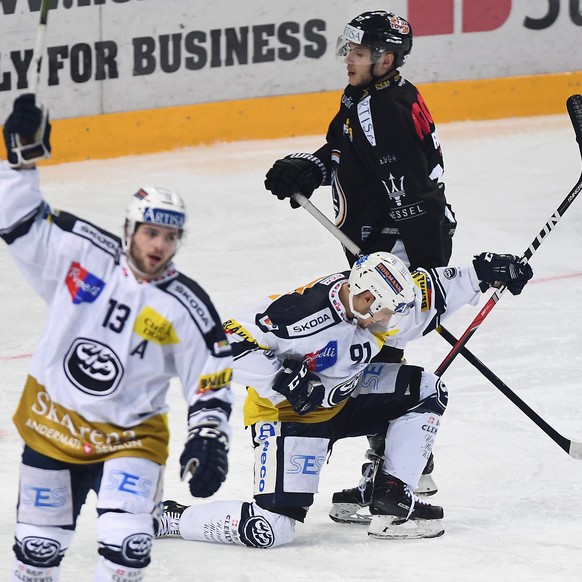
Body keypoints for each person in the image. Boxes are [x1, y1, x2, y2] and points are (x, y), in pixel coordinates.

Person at [1, 94, 234, 581]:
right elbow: (17, 221)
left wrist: (209, 437)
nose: (159, 246)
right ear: (129, 228)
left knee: (125, 553)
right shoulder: (81, 254)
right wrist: (18, 162)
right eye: (150, 233)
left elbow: (210, 376)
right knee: (36, 554)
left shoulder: (185, 305)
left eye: (170, 238)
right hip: (53, 427)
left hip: (131, 437)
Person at [154, 250, 532, 546]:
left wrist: (482, 274)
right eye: (388, 309)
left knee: (426, 389)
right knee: (273, 528)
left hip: (345, 397)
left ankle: (389, 498)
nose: (395, 318)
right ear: (367, 297)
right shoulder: (297, 316)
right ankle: (172, 518)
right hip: (291, 417)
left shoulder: (377, 301)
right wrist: (283, 378)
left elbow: (424, 296)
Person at [264, 9, 457, 514]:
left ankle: (395, 475)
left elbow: (414, 197)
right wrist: (308, 167)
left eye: (358, 51)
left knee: (374, 355)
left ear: (385, 57)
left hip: (398, 251)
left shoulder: (386, 110)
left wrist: (424, 278)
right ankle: (407, 466)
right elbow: (345, 152)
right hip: (379, 248)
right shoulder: (366, 97)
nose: (347, 58)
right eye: (347, 49)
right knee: (376, 356)